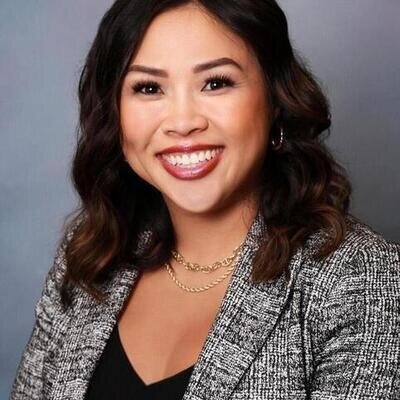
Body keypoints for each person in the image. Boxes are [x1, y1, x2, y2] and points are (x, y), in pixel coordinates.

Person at [10, 0, 400, 399]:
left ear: (275, 100)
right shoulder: (90, 256)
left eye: (216, 82)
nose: (183, 122)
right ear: (114, 113)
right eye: (148, 88)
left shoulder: (361, 278)